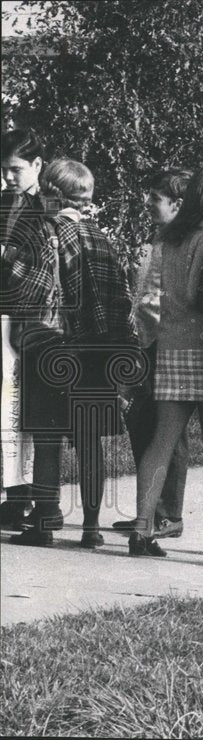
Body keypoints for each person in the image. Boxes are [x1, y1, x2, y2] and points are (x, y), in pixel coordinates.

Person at [3, 158, 138, 547]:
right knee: (88, 439)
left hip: (50, 344)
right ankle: (92, 529)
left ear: (50, 190)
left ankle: (45, 523)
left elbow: (22, 286)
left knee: (48, 439)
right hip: (96, 350)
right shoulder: (100, 237)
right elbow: (121, 297)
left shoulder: (44, 231)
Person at [127, 164, 203, 559]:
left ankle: (142, 528)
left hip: (172, 345)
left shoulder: (168, 236)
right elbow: (198, 294)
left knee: (161, 441)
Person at [112, 169, 193, 539]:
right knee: (141, 424)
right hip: (144, 343)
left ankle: (168, 513)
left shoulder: (183, 243)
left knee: (168, 432)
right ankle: (147, 510)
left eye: (155, 198)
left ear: (177, 204)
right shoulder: (159, 239)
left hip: (167, 344)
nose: (147, 203)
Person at [0, 128, 46, 528]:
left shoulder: (37, 206)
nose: (9, 178)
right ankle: (20, 494)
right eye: (4, 170)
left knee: (12, 407)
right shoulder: (16, 202)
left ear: (37, 165)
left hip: (19, 316)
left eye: (16, 169)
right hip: (17, 315)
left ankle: (19, 497)